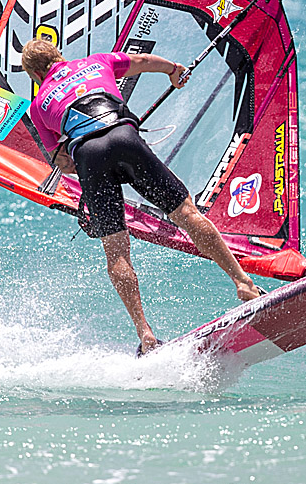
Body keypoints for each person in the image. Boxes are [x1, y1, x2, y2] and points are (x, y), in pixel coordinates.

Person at [21, 38, 266, 356]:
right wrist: (173, 70)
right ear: (59, 56)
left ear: (36, 75)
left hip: (89, 156)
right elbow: (141, 61)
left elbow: (62, 161)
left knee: (117, 252)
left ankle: (146, 334)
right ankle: (244, 285)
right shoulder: (98, 62)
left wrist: (82, 186)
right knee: (187, 214)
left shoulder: (38, 105)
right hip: (125, 137)